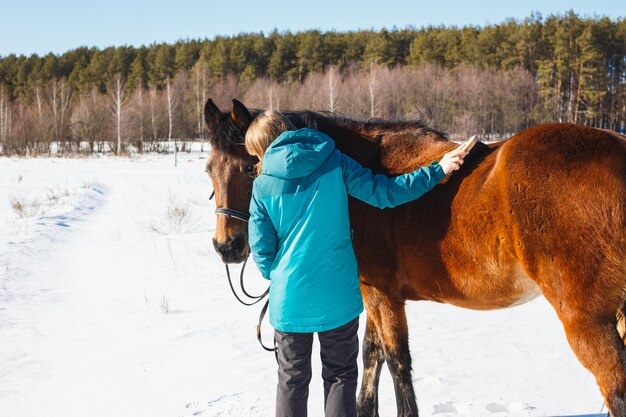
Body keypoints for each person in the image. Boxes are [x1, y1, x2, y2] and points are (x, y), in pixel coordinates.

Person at [245, 111, 467, 417]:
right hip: (338, 297)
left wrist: (282, 275)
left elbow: (262, 251)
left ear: (261, 149)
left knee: (291, 381)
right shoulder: (333, 161)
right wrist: (437, 170)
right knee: (340, 376)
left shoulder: (261, 186)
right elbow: (386, 192)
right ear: (286, 129)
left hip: (290, 302)